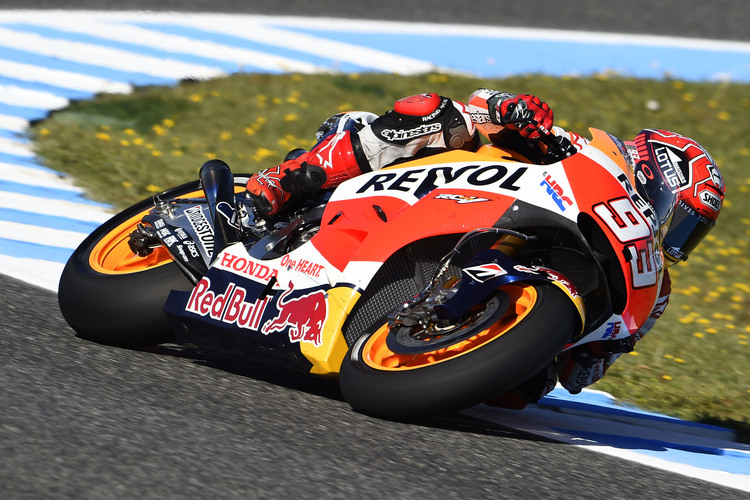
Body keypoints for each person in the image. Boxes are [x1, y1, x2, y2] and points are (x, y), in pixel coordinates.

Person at [245, 89, 725, 408]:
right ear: (657, 173)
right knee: (436, 111)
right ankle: (284, 184)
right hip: (428, 191)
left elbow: (581, 376)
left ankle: (422, 326)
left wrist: (595, 345)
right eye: (679, 214)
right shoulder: (580, 150)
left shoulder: (652, 285)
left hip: (486, 321)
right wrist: (516, 112)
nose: (672, 232)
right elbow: (480, 104)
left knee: (526, 392)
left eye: (689, 230)